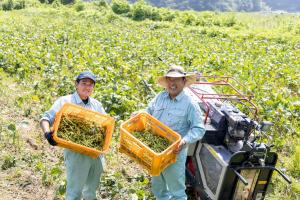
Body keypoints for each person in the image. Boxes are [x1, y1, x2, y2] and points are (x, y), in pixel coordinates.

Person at [40, 71, 106, 200]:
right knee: (74, 193)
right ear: (76, 84)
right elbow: (45, 118)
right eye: (84, 83)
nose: (87, 87)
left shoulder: (97, 105)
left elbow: (105, 126)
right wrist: (47, 133)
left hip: (96, 154)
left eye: (90, 84)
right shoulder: (66, 101)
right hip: (76, 154)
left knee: (91, 193)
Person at [145, 65, 205, 200]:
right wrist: (140, 113)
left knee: (176, 191)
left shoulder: (190, 103)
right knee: (157, 186)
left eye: (176, 80)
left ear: (183, 81)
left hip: (174, 154)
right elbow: (148, 112)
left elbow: (199, 128)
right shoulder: (160, 97)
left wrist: (184, 140)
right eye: (170, 80)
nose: (172, 83)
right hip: (155, 151)